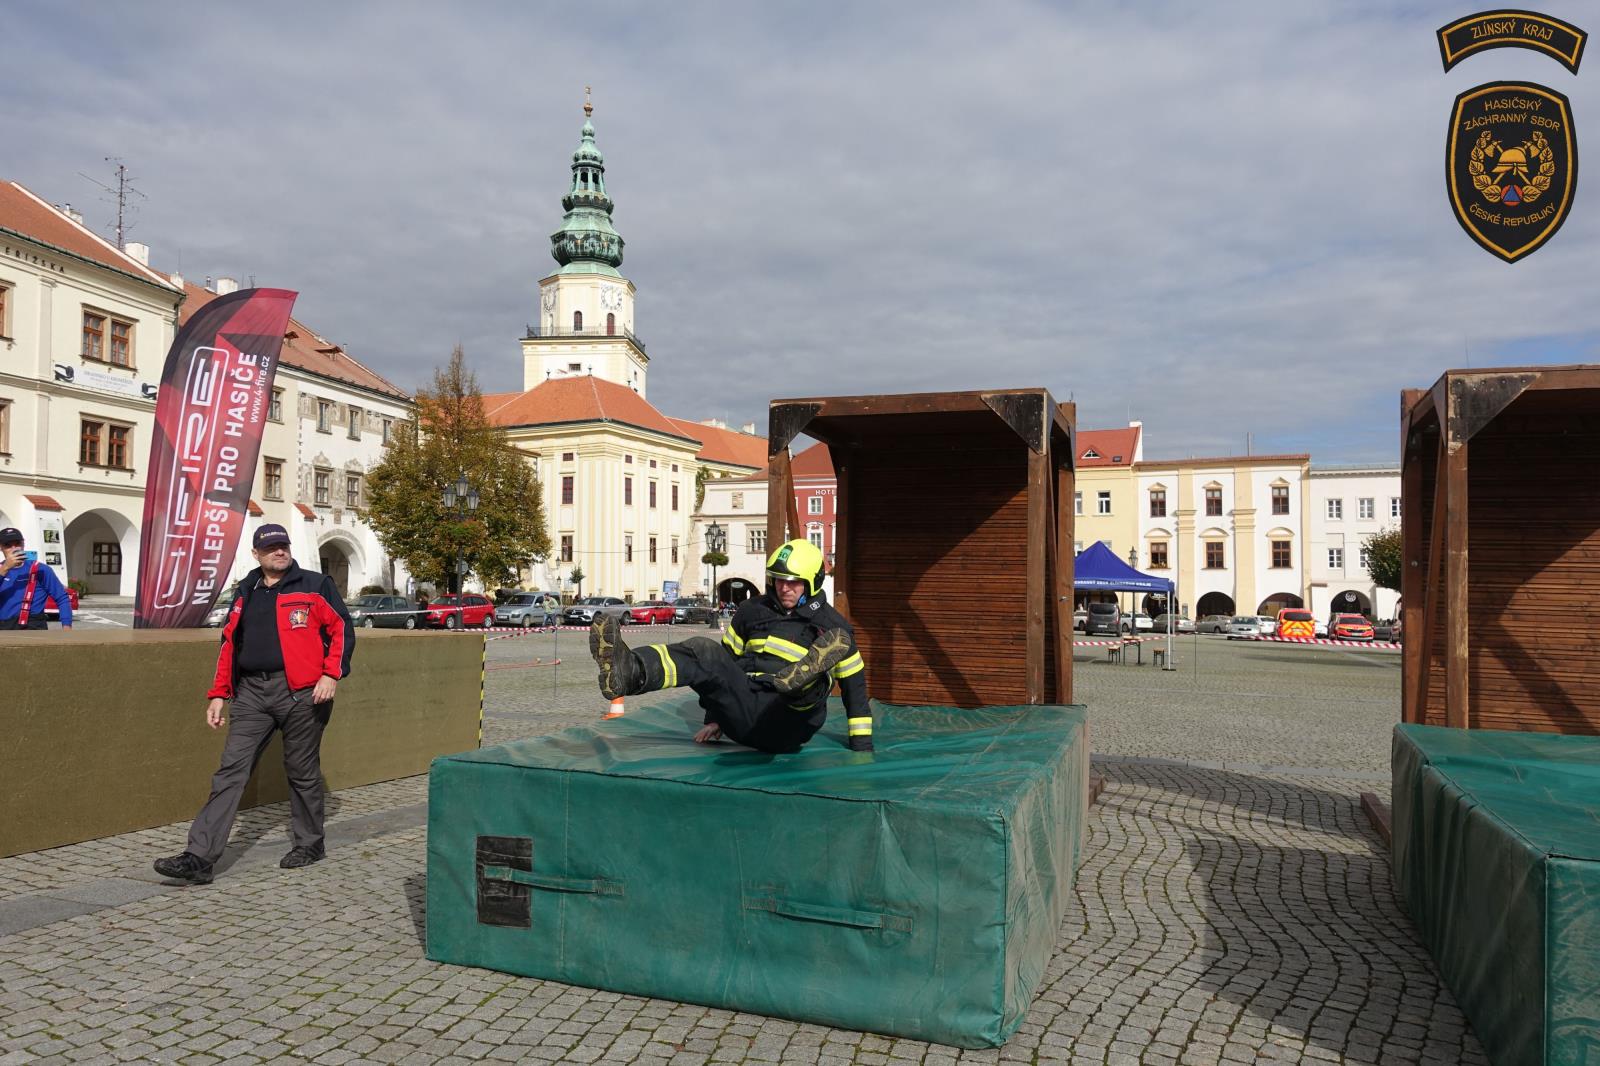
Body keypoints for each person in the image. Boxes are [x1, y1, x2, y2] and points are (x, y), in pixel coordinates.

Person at [154, 524, 355, 885]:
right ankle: (199, 858)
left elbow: (341, 628)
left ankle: (310, 844)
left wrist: (331, 674)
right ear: (256, 554)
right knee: (230, 771)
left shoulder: (314, 584)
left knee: (301, 770)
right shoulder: (245, 590)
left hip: (302, 693)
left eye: (283, 546)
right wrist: (219, 693)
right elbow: (229, 643)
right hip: (251, 693)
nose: (279, 551)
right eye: (271, 547)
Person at [590, 539, 873, 753]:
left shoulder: (834, 629)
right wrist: (715, 719)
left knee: (813, 684)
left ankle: (801, 681)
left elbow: (855, 690)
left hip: (789, 722)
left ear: (813, 582)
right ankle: (629, 671)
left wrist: (862, 747)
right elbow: (723, 668)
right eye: (778, 580)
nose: (784, 588)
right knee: (705, 652)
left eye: (793, 582)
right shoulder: (752, 610)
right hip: (743, 712)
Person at [0, 527, 73, 631]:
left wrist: (67, 626)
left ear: (23, 544)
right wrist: (5, 568)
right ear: (1, 547)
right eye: (8, 545)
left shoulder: (41, 569)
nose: (14, 549)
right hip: (4, 628)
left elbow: (62, 598)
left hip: (34, 626)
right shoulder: (1, 569)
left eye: (17, 544)